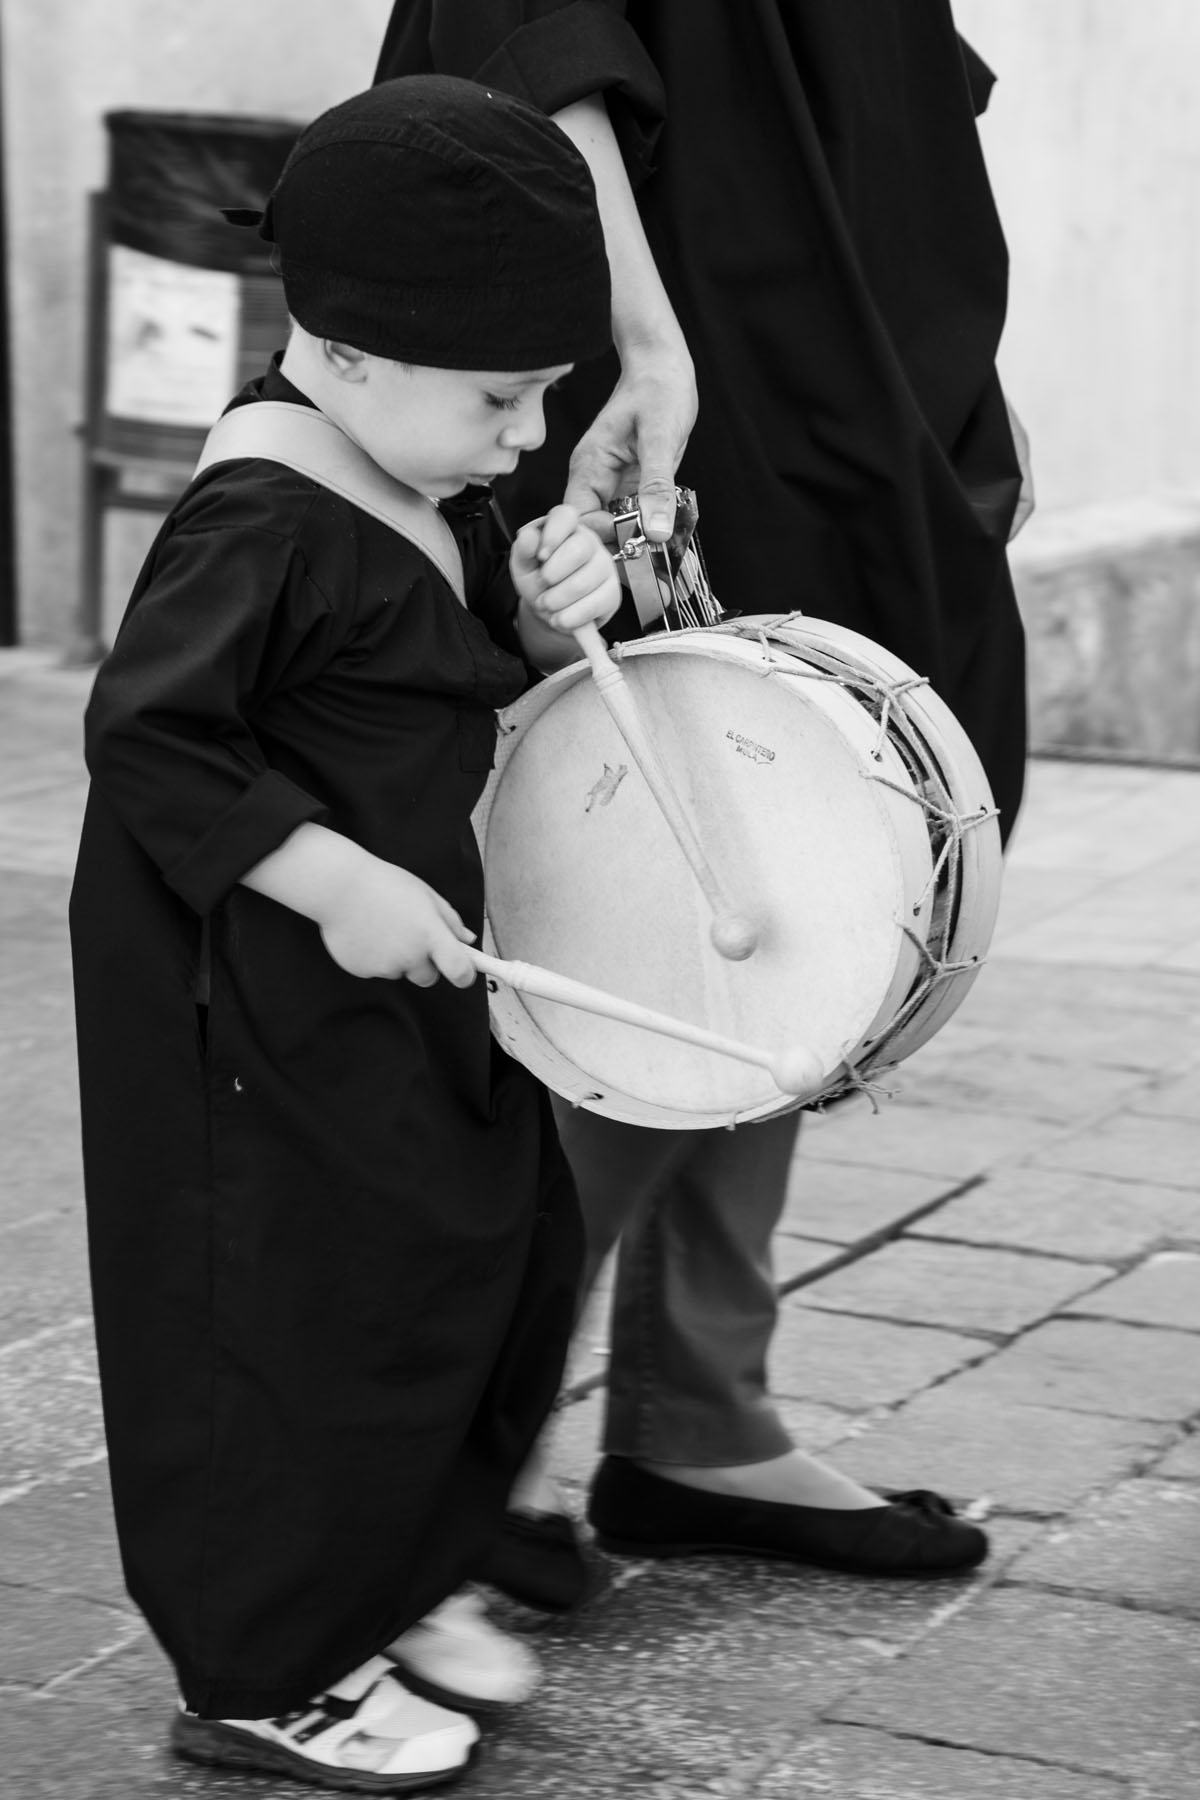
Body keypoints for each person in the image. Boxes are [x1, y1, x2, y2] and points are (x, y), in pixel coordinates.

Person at [375, 2, 1032, 1602]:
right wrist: (643, 336)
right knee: (652, 846)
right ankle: (467, 1439)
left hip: (862, 326)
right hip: (670, 323)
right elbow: (535, 23)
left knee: (830, 850)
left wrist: (960, 386)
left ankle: (700, 1414)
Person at [68, 74, 621, 1792]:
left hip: (397, 990)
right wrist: (332, 879)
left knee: (463, 1266)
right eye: (502, 399)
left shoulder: (414, 473)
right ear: (353, 354)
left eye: (541, 397)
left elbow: (444, 689)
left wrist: (537, 619)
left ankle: (391, 1580)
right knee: (288, 1320)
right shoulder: (259, 518)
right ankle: (262, 1666)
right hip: (257, 1013)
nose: (525, 439)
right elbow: (151, 738)